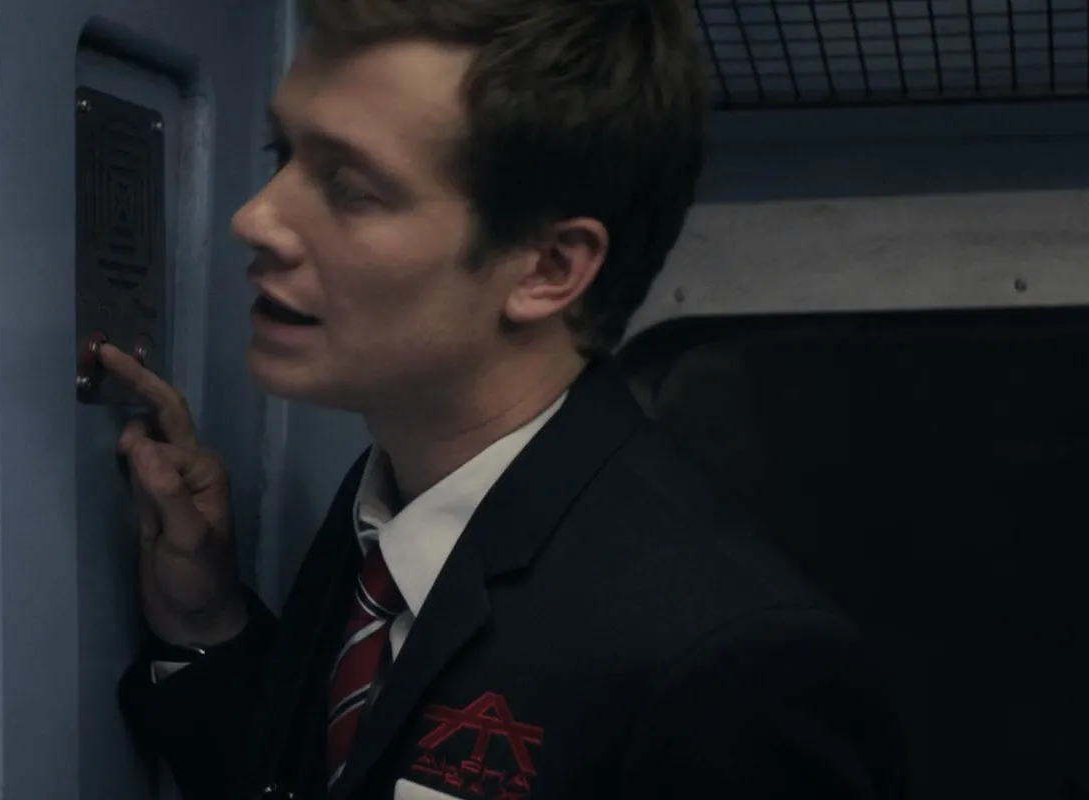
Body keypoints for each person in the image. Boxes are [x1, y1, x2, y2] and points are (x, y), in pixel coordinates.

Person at [98, 0, 907, 797]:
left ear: (548, 268)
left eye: (351, 189)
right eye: (284, 153)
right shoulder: (390, 507)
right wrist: (206, 625)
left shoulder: (731, 666)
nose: (256, 218)